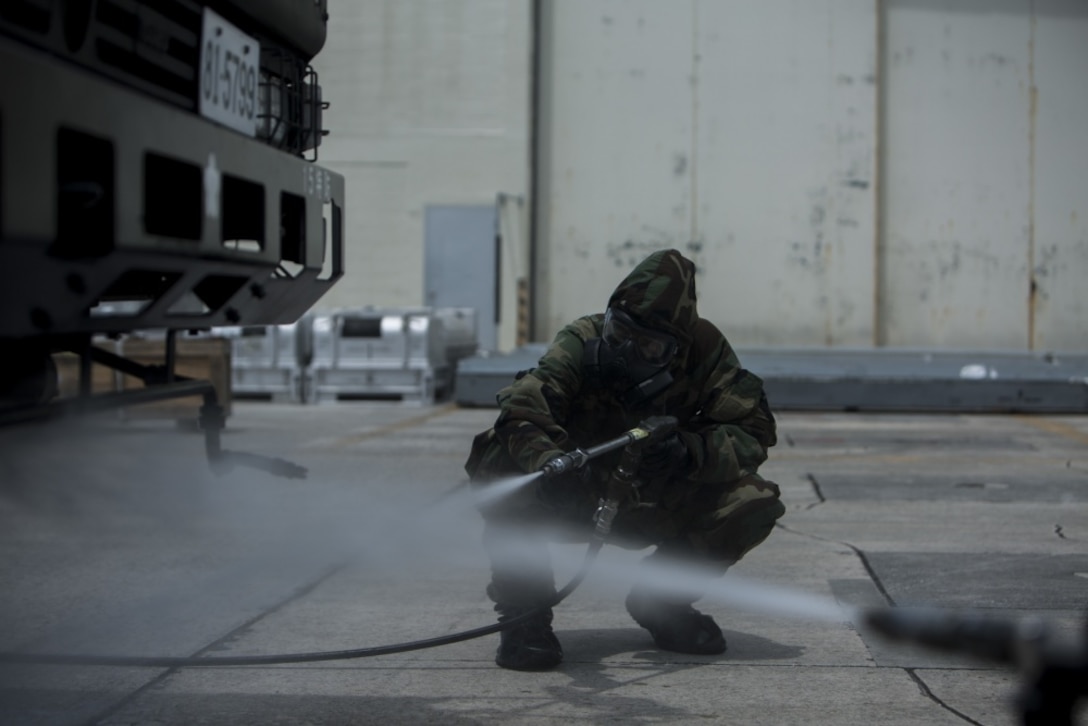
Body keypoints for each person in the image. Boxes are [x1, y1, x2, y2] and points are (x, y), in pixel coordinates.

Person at [464, 248, 785, 671]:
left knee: (752, 502)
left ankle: (661, 601)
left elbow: (752, 433)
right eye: (620, 334)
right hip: (573, 493)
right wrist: (549, 465)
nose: (627, 353)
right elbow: (524, 409)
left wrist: (687, 452)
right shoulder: (581, 339)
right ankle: (525, 615)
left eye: (650, 347)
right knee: (498, 462)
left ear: (677, 349)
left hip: (652, 496)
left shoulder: (705, 352)